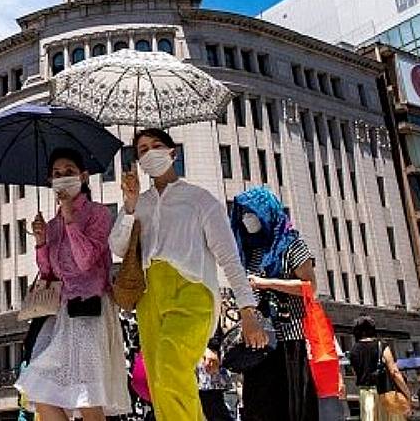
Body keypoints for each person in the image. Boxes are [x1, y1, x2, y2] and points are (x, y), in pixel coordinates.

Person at [110, 128, 266, 421]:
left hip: (192, 293)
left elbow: (229, 258)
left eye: (156, 145)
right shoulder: (139, 203)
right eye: (142, 149)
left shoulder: (200, 200)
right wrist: (129, 205)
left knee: (170, 366)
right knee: (159, 382)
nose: (149, 153)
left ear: (173, 153)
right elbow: (117, 247)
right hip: (148, 298)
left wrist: (247, 309)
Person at [16, 147, 130, 421]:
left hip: (92, 310)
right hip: (64, 314)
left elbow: (85, 260)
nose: (63, 178)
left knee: (87, 396)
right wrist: (42, 242)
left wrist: (69, 219)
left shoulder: (98, 214)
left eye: (69, 172)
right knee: (39, 389)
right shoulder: (52, 224)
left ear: (84, 176)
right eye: (57, 174)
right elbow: (48, 274)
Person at [233, 186, 319, 421]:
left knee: (290, 406)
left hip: (289, 339)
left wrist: (266, 283)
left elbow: (310, 287)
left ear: (266, 211)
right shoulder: (250, 251)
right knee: (258, 406)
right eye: (242, 213)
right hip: (259, 341)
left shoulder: (292, 244)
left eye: (251, 212)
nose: (246, 219)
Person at [348, 316, 411, 421]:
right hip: (385, 392)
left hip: (366, 394)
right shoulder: (381, 345)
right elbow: (394, 372)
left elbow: (356, 373)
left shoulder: (353, 351)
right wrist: (407, 393)